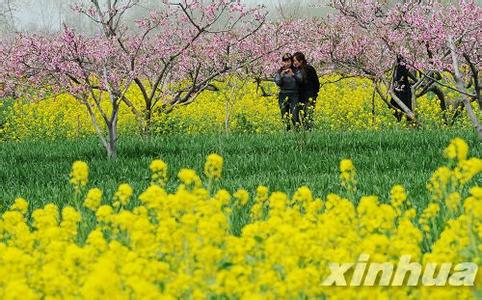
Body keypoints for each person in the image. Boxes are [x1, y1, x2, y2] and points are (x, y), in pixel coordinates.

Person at [274, 53, 304, 131]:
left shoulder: (296, 70)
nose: (286, 63)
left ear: (291, 62)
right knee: (285, 116)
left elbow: (300, 80)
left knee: (294, 116)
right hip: (283, 95)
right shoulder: (280, 71)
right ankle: (287, 134)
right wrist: (281, 75)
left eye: (288, 61)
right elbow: (278, 82)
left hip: (294, 95)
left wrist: (293, 74)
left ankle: (298, 134)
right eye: (284, 61)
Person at [293, 52, 320, 130]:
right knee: (303, 116)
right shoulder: (295, 71)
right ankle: (305, 132)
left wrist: (314, 94)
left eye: (295, 61)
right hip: (301, 97)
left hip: (310, 96)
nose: (294, 63)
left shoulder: (309, 69)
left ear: (301, 61)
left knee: (308, 116)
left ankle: (309, 132)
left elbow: (316, 82)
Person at [390, 55, 412, 122]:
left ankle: (402, 119)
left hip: (402, 89)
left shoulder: (401, 66)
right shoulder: (400, 66)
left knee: (400, 105)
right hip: (403, 88)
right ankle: (404, 119)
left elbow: (398, 78)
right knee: (404, 105)